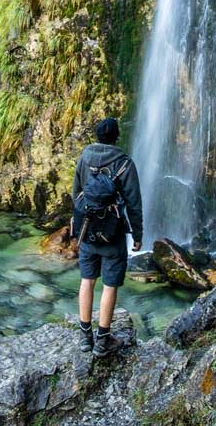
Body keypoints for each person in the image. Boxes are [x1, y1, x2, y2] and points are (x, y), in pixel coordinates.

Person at [71, 117, 142, 357]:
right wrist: (138, 234)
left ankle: (84, 337)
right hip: (113, 234)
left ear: (97, 136)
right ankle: (102, 340)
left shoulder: (85, 157)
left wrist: (79, 224)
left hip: (88, 230)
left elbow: (76, 193)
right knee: (110, 285)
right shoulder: (124, 163)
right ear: (116, 137)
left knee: (87, 280)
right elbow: (134, 203)